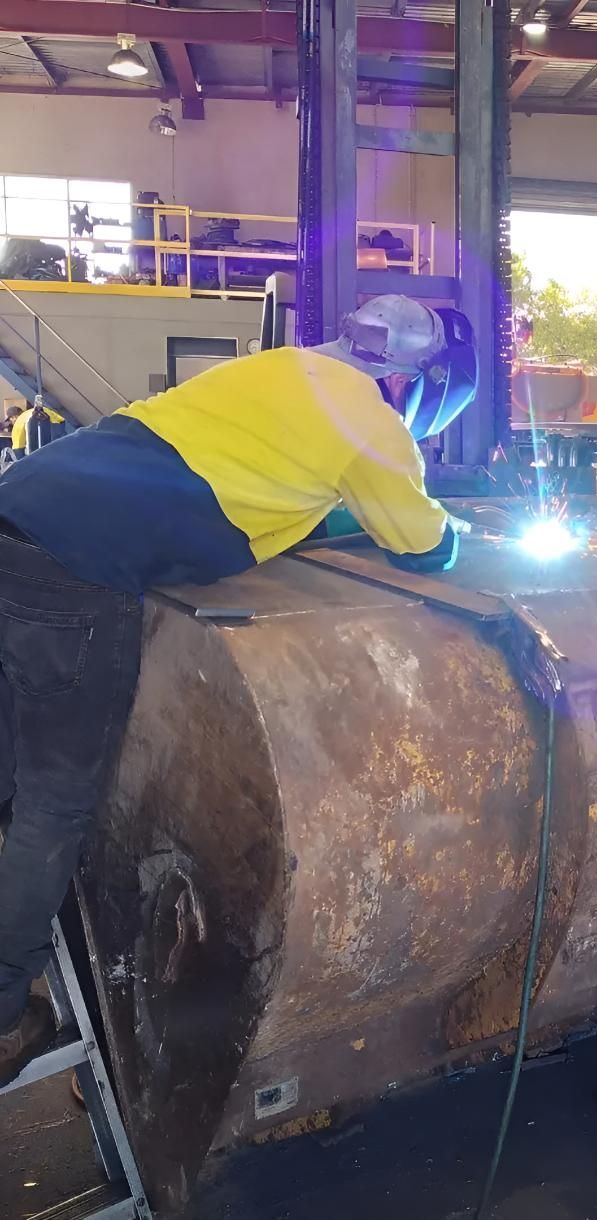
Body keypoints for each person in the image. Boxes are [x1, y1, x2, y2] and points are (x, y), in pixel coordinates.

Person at [0, 294, 476, 1085]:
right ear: (415, 381)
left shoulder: (279, 369)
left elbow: (243, 481)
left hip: (15, 511)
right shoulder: (369, 418)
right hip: (74, 566)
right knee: (55, 803)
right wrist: (459, 534)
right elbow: (424, 547)